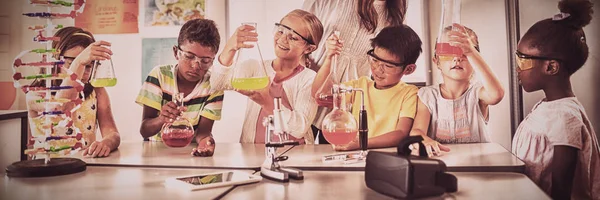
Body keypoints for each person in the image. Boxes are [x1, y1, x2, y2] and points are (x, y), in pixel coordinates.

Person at [511, 0, 599, 199]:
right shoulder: (549, 107)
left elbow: (562, 190)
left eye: (522, 60)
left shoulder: (564, 117)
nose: (517, 68)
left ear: (551, 67)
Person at [303, 0, 409, 144]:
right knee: (297, 151)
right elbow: (299, 32)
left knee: (335, 157)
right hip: (310, 87)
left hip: (347, 100)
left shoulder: (395, 16)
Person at [210, 9, 323, 144]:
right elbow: (218, 83)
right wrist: (230, 48)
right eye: (281, 31)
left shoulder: (309, 78)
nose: (282, 39)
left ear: (309, 49)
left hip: (295, 155)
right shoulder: (254, 67)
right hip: (253, 154)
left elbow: (300, 128)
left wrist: (267, 102)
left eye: (293, 37)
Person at [311, 25, 421, 151]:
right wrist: (330, 57)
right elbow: (319, 93)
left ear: (409, 69)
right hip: (357, 155)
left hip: (389, 158)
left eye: (388, 66)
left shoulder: (409, 93)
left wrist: (361, 143)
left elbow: (401, 133)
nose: (378, 69)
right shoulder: (360, 85)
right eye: (375, 60)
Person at [408, 24, 504, 157]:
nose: (457, 58)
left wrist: (471, 52)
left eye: (464, 53)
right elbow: (417, 130)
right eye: (448, 53)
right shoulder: (428, 95)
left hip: (478, 164)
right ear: (437, 62)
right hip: (440, 162)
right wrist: (425, 140)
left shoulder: (478, 94)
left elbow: (497, 94)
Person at [26, 27, 120, 157]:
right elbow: (60, 108)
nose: (82, 71)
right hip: (46, 172)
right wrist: (80, 62)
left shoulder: (97, 92)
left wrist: (106, 143)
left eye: (88, 66)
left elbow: (112, 133)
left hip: (83, 168)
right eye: (72, 64)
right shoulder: (35, 94)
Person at [136, 19, 223, 156]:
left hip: (191, 154)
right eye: (189, 56)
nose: (196, 66)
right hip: (154, 154)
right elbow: (144, 130)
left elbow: (203, 133)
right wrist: (161, 119)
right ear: (176, 52)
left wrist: (206, 143)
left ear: (212, 60)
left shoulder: (213, 85)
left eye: (205, 61)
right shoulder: (159, 76)